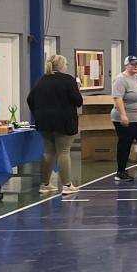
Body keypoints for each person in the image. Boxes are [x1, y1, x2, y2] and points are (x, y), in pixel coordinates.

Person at [27, 53, 83, 195]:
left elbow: (30, 99)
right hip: (64, 120)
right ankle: (67, 185)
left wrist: (38, 112)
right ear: (62, 65)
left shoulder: (42, 80)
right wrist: (77, 88)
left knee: (48, 152)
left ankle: (44, 184)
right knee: (63, 151)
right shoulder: (68, 80)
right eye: (66, 64)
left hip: (44, 121)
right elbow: (78, 101)